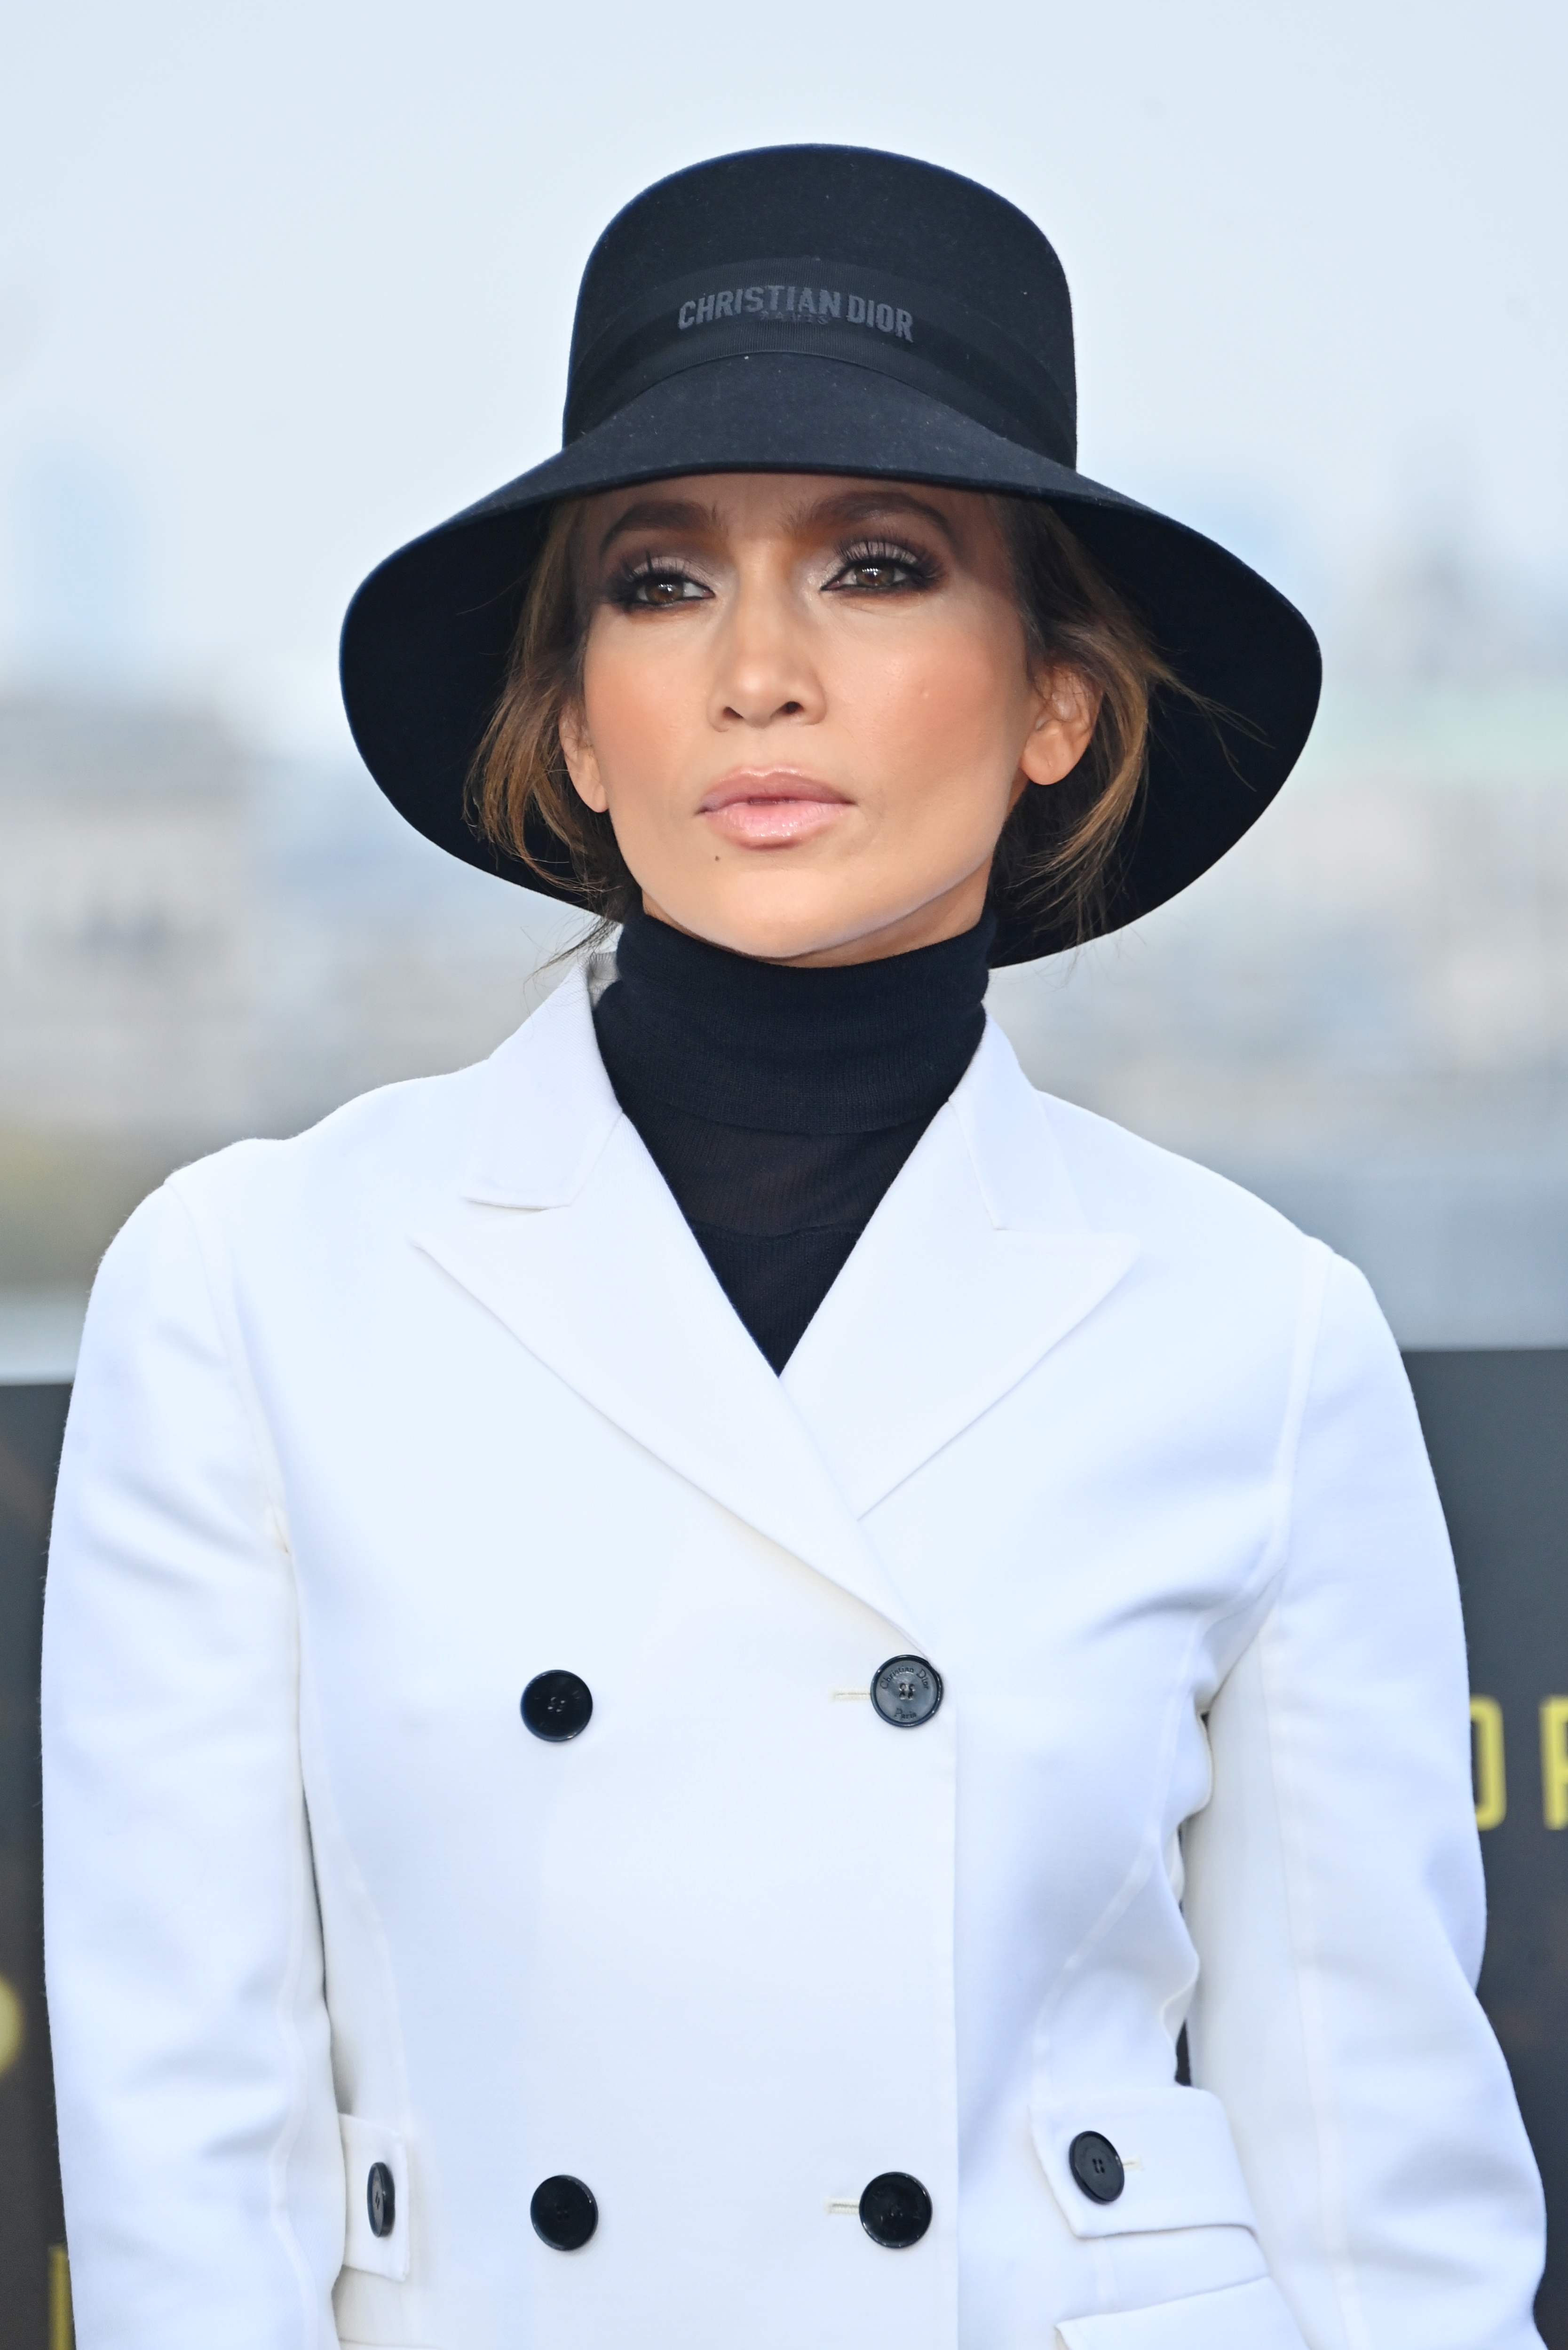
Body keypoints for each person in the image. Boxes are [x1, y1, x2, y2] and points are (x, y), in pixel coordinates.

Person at [42, 145, 1544, 2350]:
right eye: (659, 582)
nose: (759, 670)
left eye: (874, 564)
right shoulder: (254, 1289)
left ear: (1060, 701)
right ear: (570, 714)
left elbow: (1379, 2185)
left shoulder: (1263, 1334)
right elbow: (190, 2174)